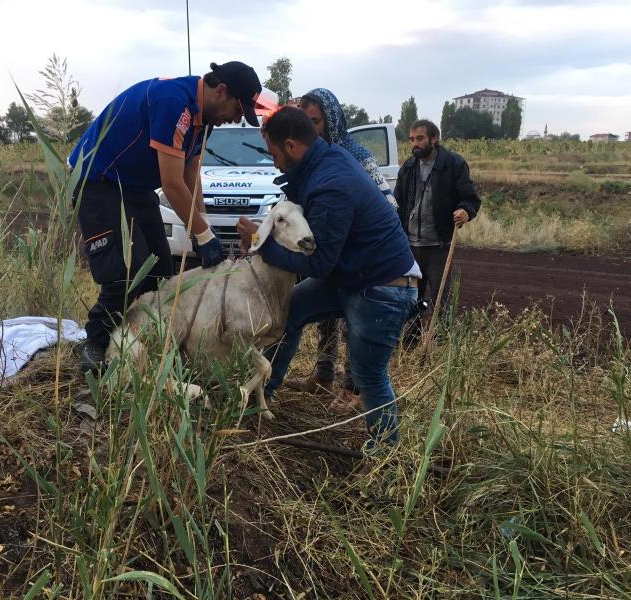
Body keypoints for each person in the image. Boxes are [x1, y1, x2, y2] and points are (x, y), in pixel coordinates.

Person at [237, 107, 420, 446]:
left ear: (291, 146)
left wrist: (260, 246)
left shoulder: (331, 184)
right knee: (288, 314)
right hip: (351, 275)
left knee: (368, 373)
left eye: (274, 154)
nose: (274, 162)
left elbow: (318, 263)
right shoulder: (322, 163)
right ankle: (260, 399)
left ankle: (386, 455)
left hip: (384, 287)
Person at [68, 61, 263, 372]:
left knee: (159, 268)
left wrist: (203, 226)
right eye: (238, 109)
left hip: (136, 187)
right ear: (221, 91)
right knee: (127, 266)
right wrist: (203, 237)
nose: (236, 119)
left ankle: (140, 339)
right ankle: (96, 342)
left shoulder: (204, 119)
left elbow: (191, 175)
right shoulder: (173, 102)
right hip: (99, 181)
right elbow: (172, 184)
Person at [283, 88, 398, 411]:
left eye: (316, 121)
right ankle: (322, 376)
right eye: (306, 121)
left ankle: (353, 388)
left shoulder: (355, 156)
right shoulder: (307, 162)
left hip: (359, 261)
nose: (312, 128)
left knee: (354, 323)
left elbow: (388, 204)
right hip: (326, 254)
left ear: (332, 120)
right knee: (322, 318)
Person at [393, 120, 480, 342]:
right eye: (412, 139)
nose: (415, 144)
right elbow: (398, 202)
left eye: (419, 138)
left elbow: (470, 198)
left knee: (442, 296)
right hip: (410, 245)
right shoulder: (409, 167)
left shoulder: (454, 164)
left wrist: (464, 211)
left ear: (434, 139)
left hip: (438, 245)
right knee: (413, 296)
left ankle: (440, 342)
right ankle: (410, 342)